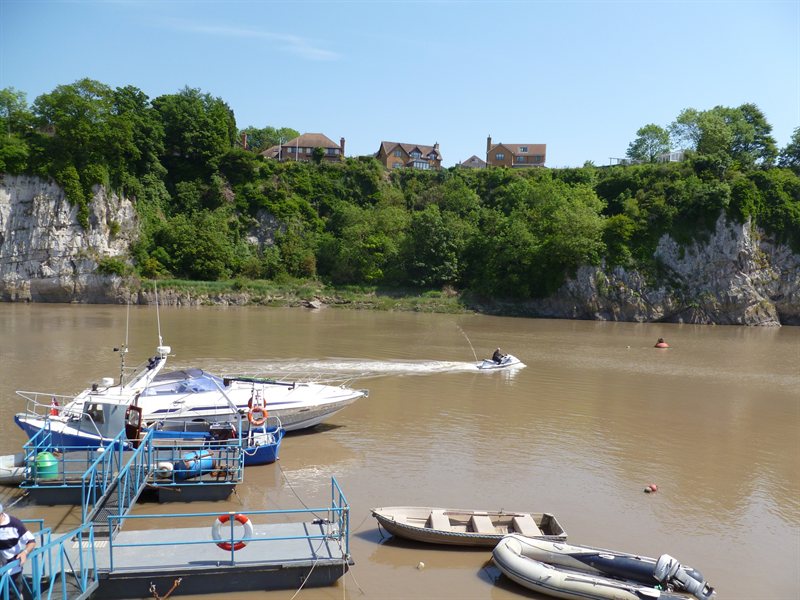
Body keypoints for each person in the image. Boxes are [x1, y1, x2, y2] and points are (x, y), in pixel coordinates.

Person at [0, 503, 36, 594]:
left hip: (13, 568)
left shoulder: (15, 523)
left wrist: (24, 552)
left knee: (13, 594)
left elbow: (31, 541)